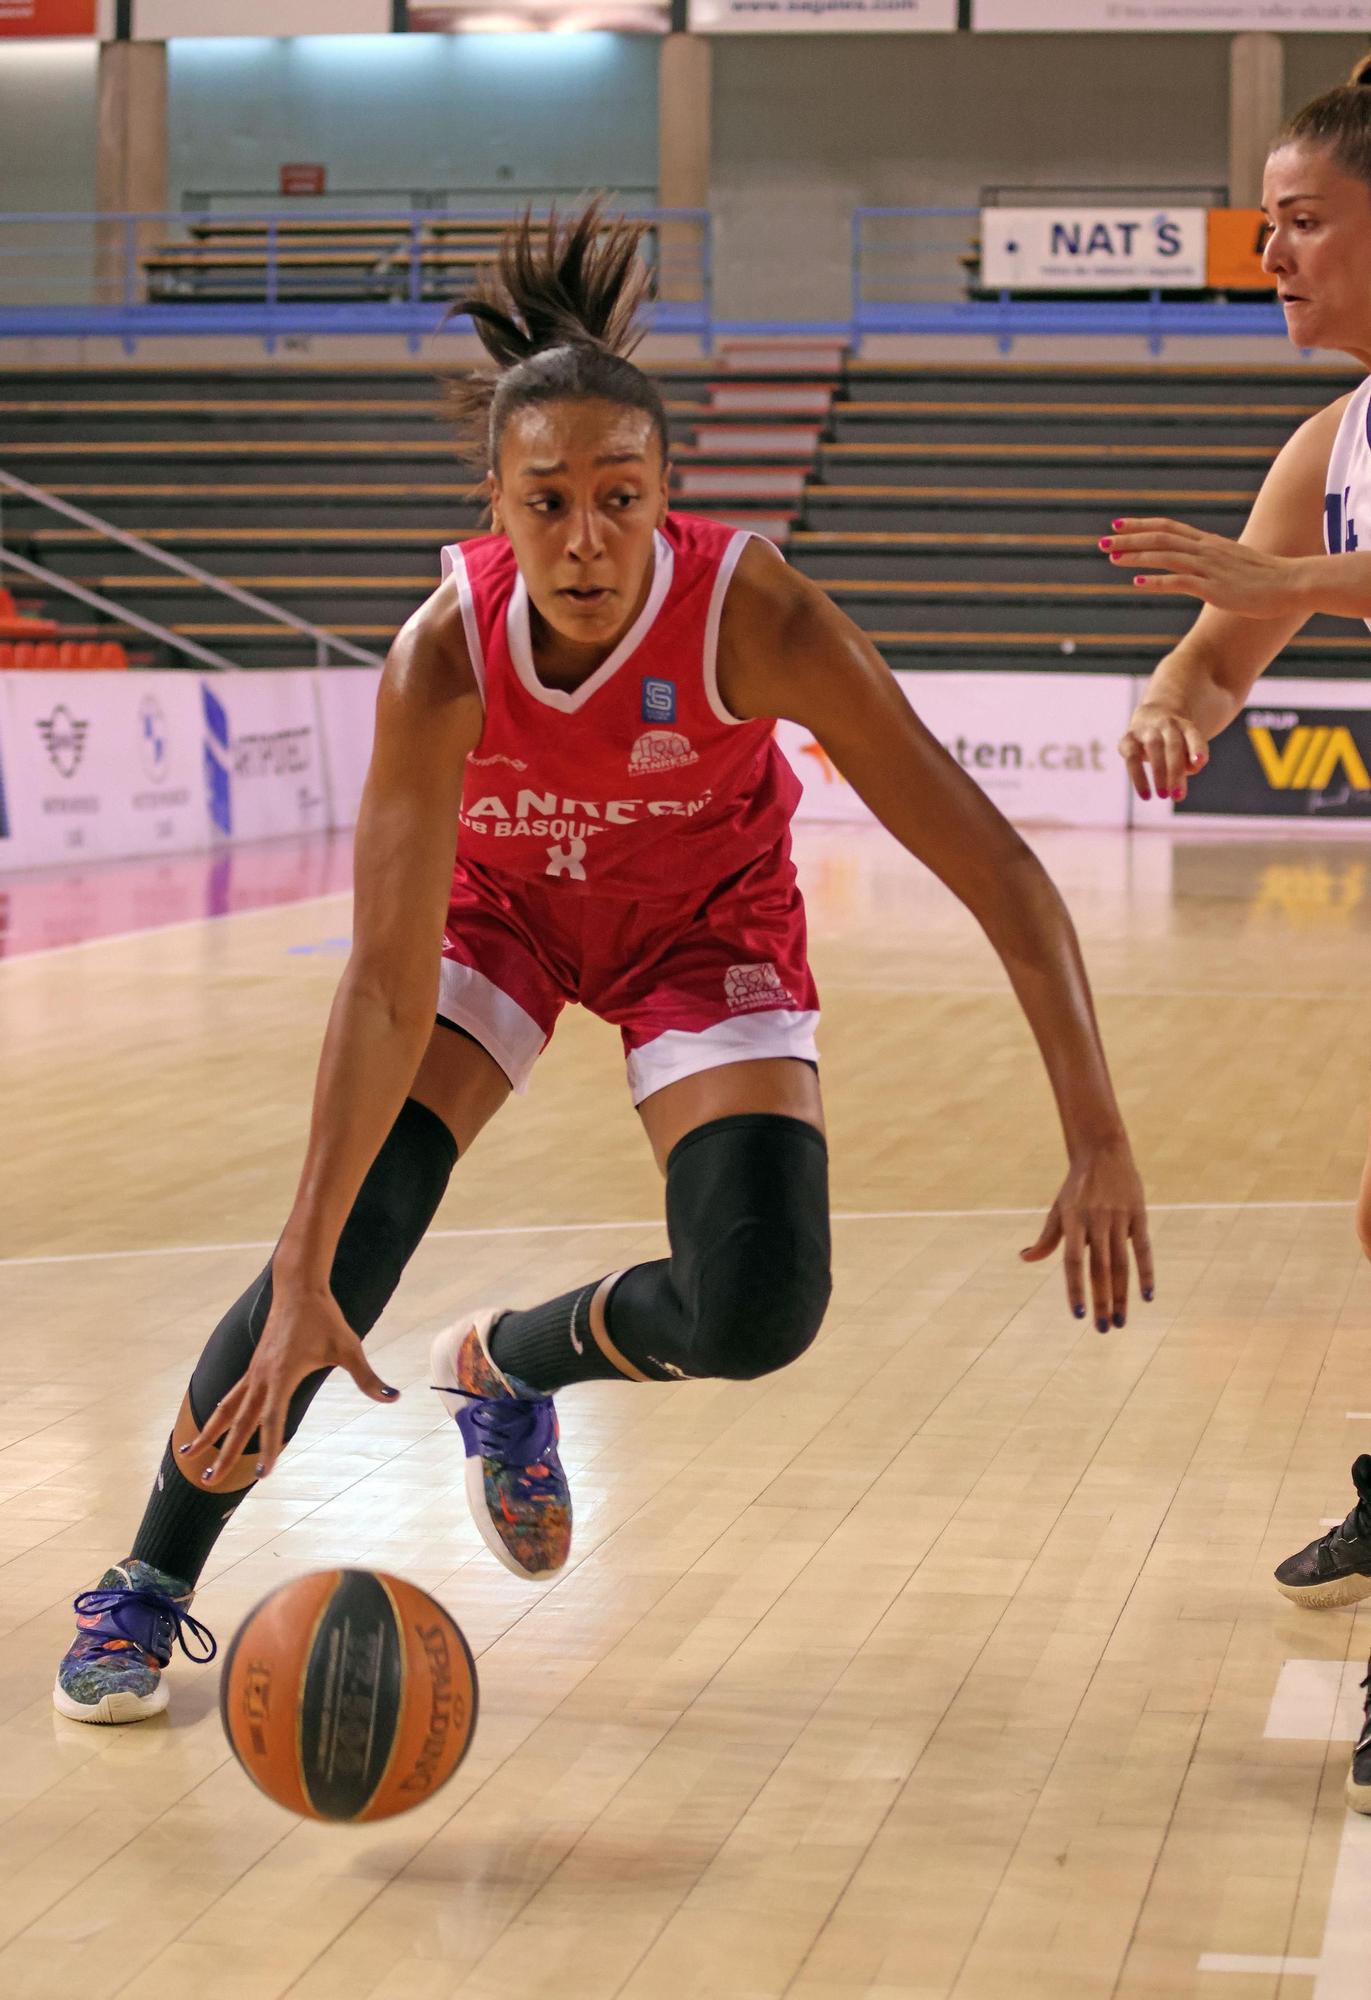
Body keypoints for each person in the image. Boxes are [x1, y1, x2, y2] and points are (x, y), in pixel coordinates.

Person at [54, 203, 1150, 1727]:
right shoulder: (444, 651)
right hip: (500, 916)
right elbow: (381, 982)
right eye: (548, 502)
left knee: (760, 1309)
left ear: (664, 497)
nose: (585, 539)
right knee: (349, 1242)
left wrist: (1096, 1131)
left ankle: (508, 1370)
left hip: (705, 928)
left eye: (618, 499)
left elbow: (1003, 874)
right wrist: (301, 1258)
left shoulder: (754, 615)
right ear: (494, 504)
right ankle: (150, 1581)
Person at [1110, 56, 1371, 1811]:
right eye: (1261, 225)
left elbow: (1281, 588)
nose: (1263, 255)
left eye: (1298, 224)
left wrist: (1285, 584)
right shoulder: (1330, 442)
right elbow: (1225, 641)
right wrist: (1175, 698)